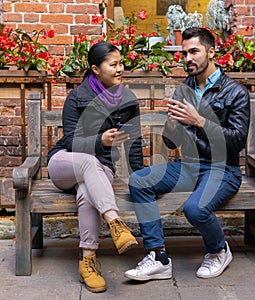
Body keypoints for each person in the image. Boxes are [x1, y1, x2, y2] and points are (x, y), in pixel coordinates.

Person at [125, 27, 250, 281]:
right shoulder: (184, 89)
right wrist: (171, 124)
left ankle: (219, 250)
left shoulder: (236, 93)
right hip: (189, 166)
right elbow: (172, 144)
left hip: (222, 169)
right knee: (139, 180)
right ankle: (158, 257)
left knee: (195, 209)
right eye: (184, 53)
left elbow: (236, 142)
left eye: (194, 51)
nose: (188, 59)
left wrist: (200, 121)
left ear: (211, 52)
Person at [47, 42, 143, 293]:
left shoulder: (128, 100)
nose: (120, 68)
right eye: (114, 64)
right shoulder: (76, 98)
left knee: (87, 192)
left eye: (121, 63)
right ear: (95, 69)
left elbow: (135, 143)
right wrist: (100, 141)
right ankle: (115, 222)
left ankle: (87, 260)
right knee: (89, 161)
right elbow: (69, 141)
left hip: (101, 171)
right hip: (65, 163)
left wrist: (140, 175)